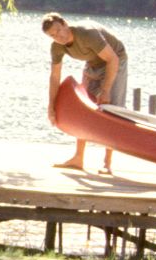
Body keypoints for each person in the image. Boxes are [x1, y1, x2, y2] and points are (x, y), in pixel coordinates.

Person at [42, 12, 129, 173]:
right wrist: (51, 106)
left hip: (115, 59)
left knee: (110, 109)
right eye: (53, 36)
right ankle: (78, 158)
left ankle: (107, 163)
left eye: (59, 30)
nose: (58, 37)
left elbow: (112, 60)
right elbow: (55, 76)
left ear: (65, 23)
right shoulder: (57, 47)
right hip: (93, 63)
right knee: (83, 108)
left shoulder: (87, 33)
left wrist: (106, 90)